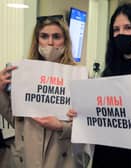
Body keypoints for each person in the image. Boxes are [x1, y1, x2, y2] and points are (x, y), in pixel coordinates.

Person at [68, 3, 131, 168]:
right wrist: (81, 114)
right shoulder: (108, 71)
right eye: (116, 30)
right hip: (109, 156)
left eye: (128, 27)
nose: (121, 34)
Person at [0, 16, 89, 168]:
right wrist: (1, 91)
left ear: (65, 41)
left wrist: (62, 126)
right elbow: (16, 120)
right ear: (37, 40)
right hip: (28, 157)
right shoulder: (24, 74)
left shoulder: (79, 76)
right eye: (44, 36)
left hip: (63, 156)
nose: (50, 43)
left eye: (56, 37)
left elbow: (88, 126)